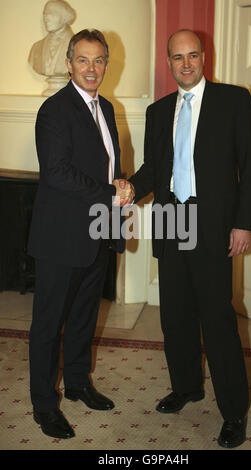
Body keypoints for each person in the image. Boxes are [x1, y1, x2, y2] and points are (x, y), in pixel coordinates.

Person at [128, 29, 251, 448]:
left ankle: (234, 412)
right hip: (170, 220)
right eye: (177, 57)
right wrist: (129, 189)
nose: (185, 64)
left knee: (218, 320)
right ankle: (187, 387)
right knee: (176, 316)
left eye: (192, 55)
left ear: (205, 56)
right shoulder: (158, 111)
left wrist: (244, 223)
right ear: (168, 61)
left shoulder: (234, 100)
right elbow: (154, 170)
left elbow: (250, 167)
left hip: (213, 222)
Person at [28, 29, 133, 439]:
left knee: (85, 316)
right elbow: (56, 172)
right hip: (60, 237)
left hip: (99, 231)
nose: (92, 68)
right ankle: (43, 405)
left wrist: (120, 187)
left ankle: (77, 383)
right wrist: (110, 191)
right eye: (84, 60)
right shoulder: (54, 111)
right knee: (48, 323)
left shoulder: (105, 107)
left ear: (107, 64)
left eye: (99, 60)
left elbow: (104, 165)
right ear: (69, 64)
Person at [28, 0, 75, 76]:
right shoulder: (36, 48)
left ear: (65, 17)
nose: (46, 18)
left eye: (52, 14)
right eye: (45, 14)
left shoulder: (79, 47)